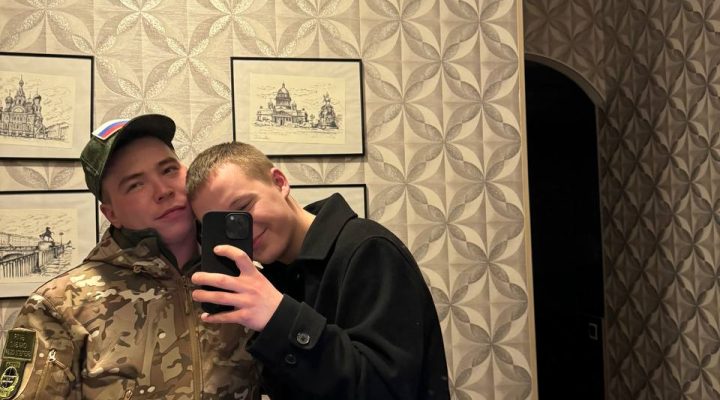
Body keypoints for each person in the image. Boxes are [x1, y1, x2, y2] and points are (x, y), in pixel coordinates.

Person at [0, 115, 260, 399]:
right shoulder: (59, 305)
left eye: (169, 170)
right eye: (136, 185)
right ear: (111, 214)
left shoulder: (246, 276)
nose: (163, 191)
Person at [186, 142, 451, 399]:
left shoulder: (369, 250)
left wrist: (279, 317)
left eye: (243, 208)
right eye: (221, 224)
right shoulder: (273, 278)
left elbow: (386, 388)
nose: (241, 228)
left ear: (279, 183)